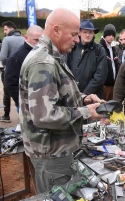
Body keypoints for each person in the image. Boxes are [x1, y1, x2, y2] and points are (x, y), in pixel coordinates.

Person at [19, 8, 105, 194]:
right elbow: (44, 115)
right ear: (56, 30)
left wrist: (84, 99)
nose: (77, 39)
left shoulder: (53, 55)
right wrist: (86, 112)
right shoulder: (43, 62)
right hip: (52, 153)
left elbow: (58, 94)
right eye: (74, 34)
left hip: (56, 150)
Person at [4, 25, 43, 112]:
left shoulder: (43, 52)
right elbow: (9, 83)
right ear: (26, 37)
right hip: (26, 106)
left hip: (42, 103)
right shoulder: (16, 57)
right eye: (36, 40)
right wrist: (22, 101)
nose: (39, 43)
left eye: (41, 40)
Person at [67, 19, 108, 99]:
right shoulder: (72, 48)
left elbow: (100, 76)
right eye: (85, 32)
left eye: (90, 32)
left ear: (93, 34)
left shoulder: (99, 50)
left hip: (93, 97)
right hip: (73, 96)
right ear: (79, 33)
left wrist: (84, 94)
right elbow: (66, 70)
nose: (88, 35)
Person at [0, 21, 24, 122]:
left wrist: (7, 65)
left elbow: (2, 57)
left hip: (9, 71)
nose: (4, 32)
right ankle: (22, 117)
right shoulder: (24, 39)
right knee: (22, 93)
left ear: (11, 29)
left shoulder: (7, 39)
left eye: (5, 29)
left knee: (7, 93)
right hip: (23, 70)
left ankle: (6, 115)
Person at [100, 24, 120, 101]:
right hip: (105, 86)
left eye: (113, 35)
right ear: (105, 35)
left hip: (114, 85)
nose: (111, 37)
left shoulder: (114, 48)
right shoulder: (100, 48)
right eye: (109, 35)